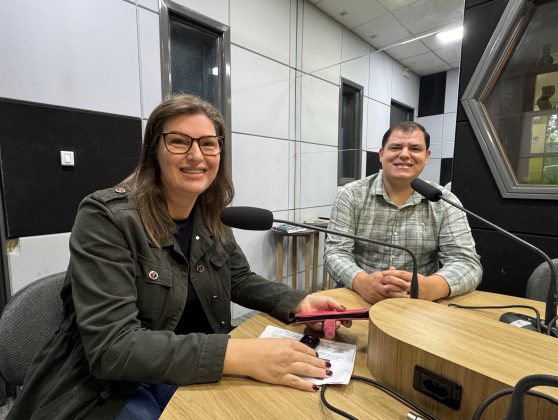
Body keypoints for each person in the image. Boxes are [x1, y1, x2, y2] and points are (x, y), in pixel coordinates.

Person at [8, 94, 351, 419]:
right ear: (153, 151)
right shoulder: (106, 217)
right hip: (111, 387)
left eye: (208, 143)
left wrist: (299, 303)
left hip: (190, 367)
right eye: (179, 141)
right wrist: (239, 354)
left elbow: (238, 278)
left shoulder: (210, 213)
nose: (196, 156)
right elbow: (113, 347)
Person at [324, 121, 482, 304]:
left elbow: (467, 263)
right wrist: (362, 282)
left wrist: (433, 287)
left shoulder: (444, 201)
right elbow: (335, 253)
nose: (405, 154)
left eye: (415, 148)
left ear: (427, 156)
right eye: (396, 147)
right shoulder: (350, 195)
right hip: (360, 297)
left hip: (420, 304)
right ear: (381, 154)